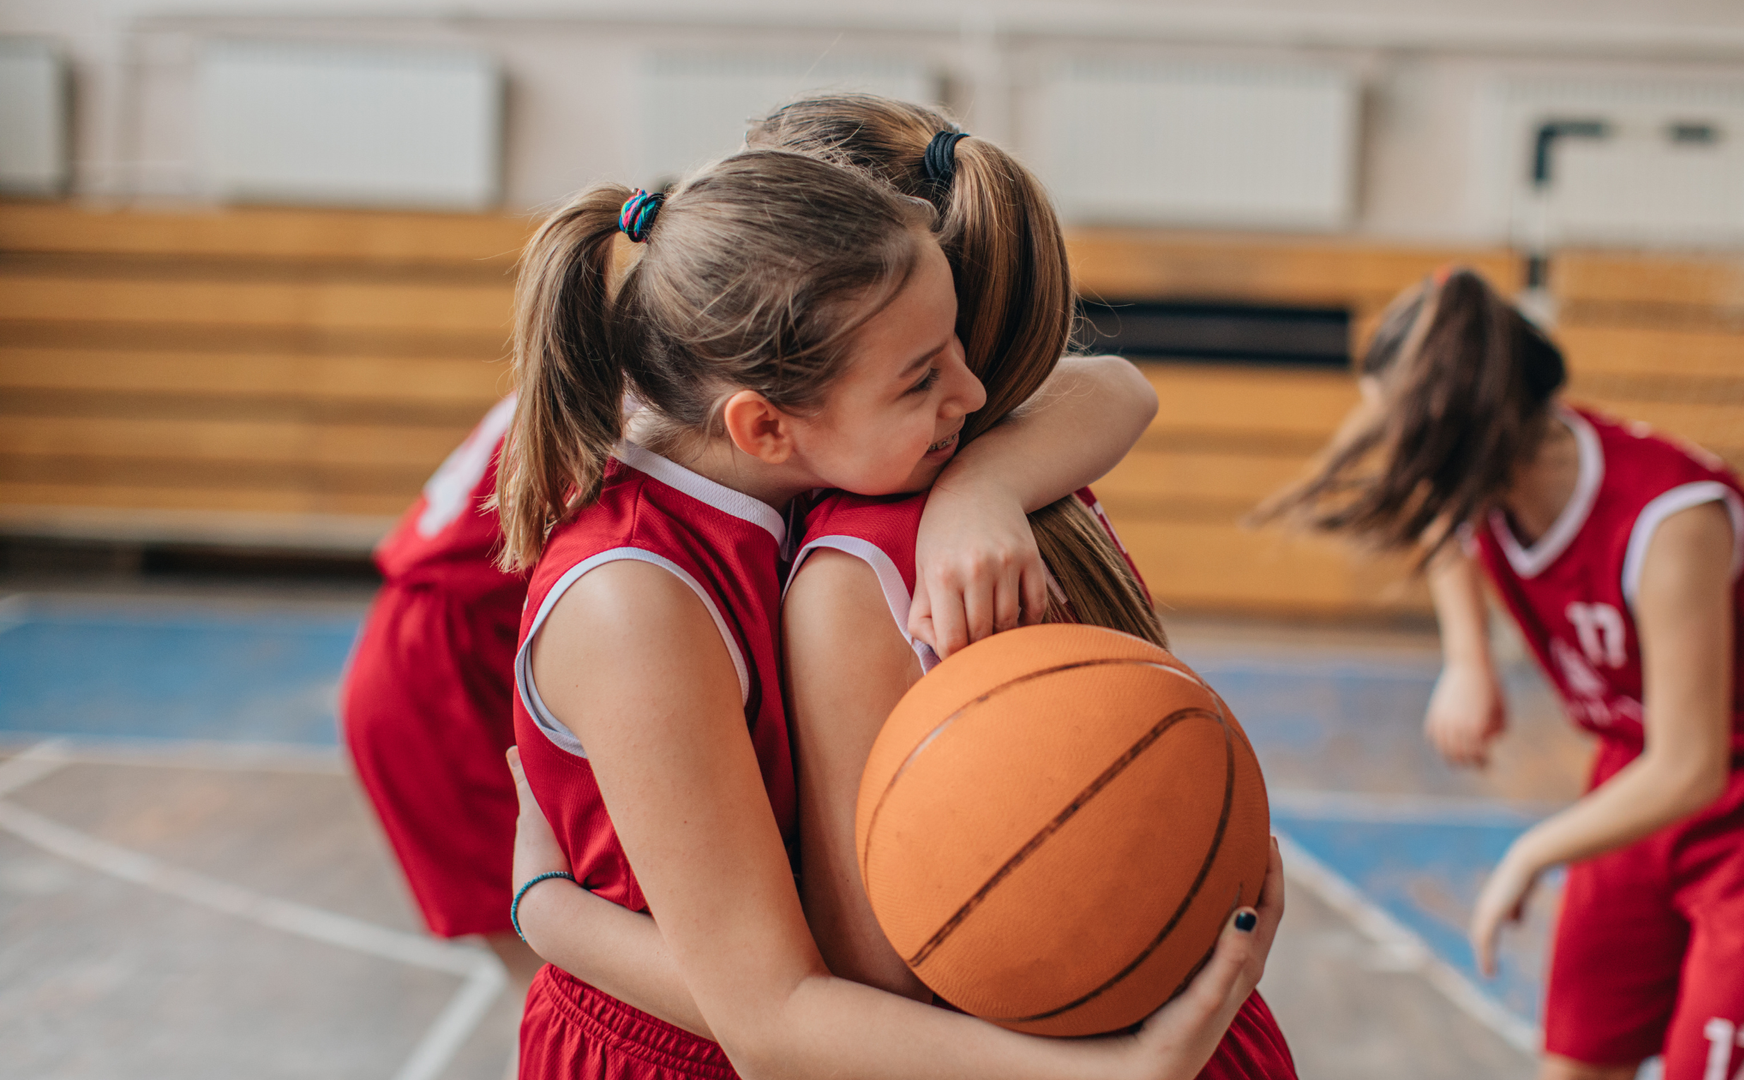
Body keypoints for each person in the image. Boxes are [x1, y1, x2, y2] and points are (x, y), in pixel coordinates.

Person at [512, 95, 1297, 1080]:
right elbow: (772, 1017)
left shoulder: (843, 473)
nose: (970, 399)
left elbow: (1113, 385)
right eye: (923, 375)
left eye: (958, 354)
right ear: (765, 424)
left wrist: (550, 907)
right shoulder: (641, 597)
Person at [1265, 267, 1744, 1080]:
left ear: (1466, 432)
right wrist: (1467, 661)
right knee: (1578, 1064)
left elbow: (1693, 769)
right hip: (1635, 770)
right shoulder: (1487, 477)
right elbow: (1449, 527)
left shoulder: (1670, 524)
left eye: (1398, 434)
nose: (1389, 458)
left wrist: (1532, 853)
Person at [339, 393, 541, 985]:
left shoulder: (575, 365)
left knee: (551, 993)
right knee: (552, 992)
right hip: (437, 680)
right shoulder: (642, 393)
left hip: (420, 652)